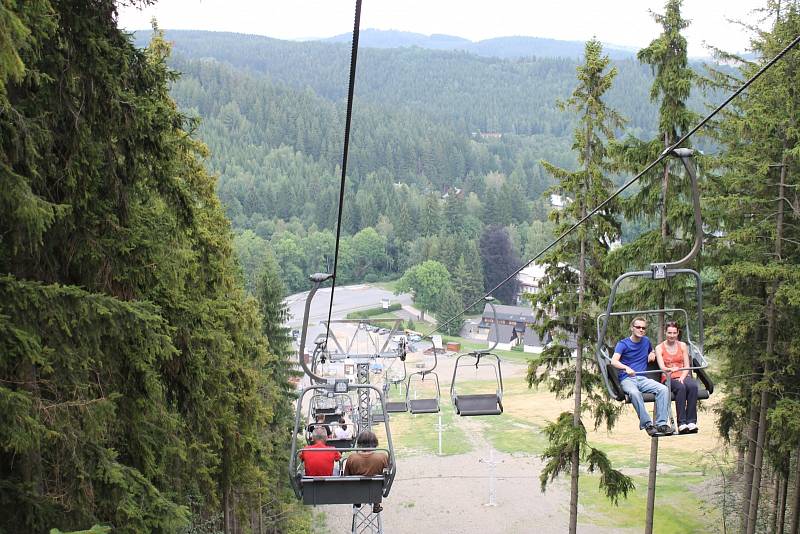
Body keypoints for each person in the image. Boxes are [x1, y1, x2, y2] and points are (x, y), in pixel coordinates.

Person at [610, 317, 672, 436]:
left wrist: (652, 352)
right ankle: (647, 424)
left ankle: (662, 424)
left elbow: (651, 349)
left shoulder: (646, 341)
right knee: (634, 393)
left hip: (642, 378)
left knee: (663, 389)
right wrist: (626, 368)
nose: (641, 330)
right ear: (632, 328)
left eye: (643, 328)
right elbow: (614, 361)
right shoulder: (623, 344)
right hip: (627, 379)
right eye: (638, 327)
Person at [655, 321, 699, 434]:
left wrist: (683, 376)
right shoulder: (659, 348)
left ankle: (691, 421)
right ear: (665, 333)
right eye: (669, 333)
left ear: (678, 333)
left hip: (682, 375)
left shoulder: (682, 345)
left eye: (674, 333)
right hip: (668, 377)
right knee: (681, 388)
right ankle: (682, 423)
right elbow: (662, 367)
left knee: (693, 386)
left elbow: (687, 365)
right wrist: (671, 370)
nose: (672, 335)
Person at [344, 430, 390, 513]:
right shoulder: (383, 457)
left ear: (359, 443)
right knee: (378, 480)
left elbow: (346, 476)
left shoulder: (352, 458)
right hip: (375, 491)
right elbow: (387, 473)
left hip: (357, 490)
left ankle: (357, 501)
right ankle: (376, 504)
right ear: (375, 442)